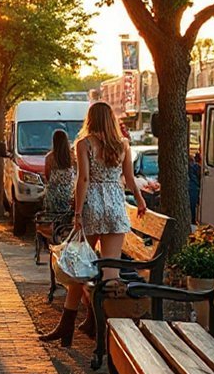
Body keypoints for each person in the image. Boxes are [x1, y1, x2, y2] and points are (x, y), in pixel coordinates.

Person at [39, 102, 146, 347]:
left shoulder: (84, 143)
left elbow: (84, 179)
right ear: (111, 119)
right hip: (116, 207)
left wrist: (77, 213)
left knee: (81, 266)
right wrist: (140, 202)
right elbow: (129, 178)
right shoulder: (122, 145)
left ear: (90, 119)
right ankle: (99, 328)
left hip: (94, 206)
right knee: (110, 274)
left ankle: (67, 325)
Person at [43, 129, 76, 215]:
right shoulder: (73, 156)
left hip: (53, 196)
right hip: (69, 195)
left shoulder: (49, 158)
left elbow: (47, 176)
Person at [188, 153, 202, 225]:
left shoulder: (188, 168)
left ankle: (192, 220)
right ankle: (193, 221)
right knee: (193, 207)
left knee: (191, 206)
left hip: (191, 188)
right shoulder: (197, 167)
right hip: (194, 188)